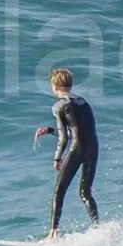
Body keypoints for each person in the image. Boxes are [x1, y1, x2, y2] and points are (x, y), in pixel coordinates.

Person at [32, 68, 99, 236]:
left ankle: (53, 234)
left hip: (77, 148)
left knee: (58, 191)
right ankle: (98, 228)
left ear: (54, 86)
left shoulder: (59, 106)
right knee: (85, 192)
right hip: (93, 147)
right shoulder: (83, 102)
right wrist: (49, 130)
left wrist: (57, 157)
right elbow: (78, 130)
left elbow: (64, 137)